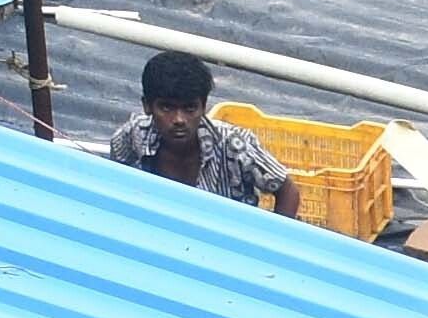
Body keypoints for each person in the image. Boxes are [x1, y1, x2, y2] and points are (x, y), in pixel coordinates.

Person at [108, 48, 294, 212]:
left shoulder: (235, 145)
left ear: (203, 107)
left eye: (190, 108)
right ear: (147, 106)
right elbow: (114, 182)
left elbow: (287, 191)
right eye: (166, 108)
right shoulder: (132, 136)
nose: (179, 120)